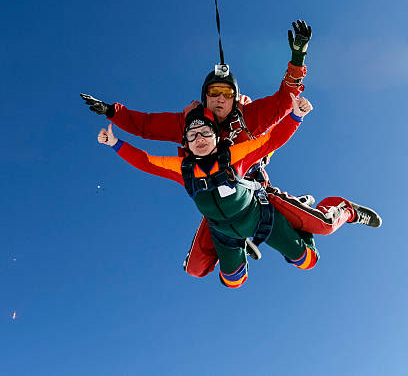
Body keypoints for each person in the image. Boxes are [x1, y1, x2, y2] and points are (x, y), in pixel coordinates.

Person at [81, 20, 313, 275]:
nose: (220, 99)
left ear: (235, 98)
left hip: (249, 187)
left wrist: (298, 56)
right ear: (205, 97)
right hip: (213, 197)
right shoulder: (190, 125)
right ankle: (236, 241)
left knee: (305, 246)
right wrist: (113, 112)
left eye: (227, 94)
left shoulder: (249, 116)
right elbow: (146, 126)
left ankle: (294, 215)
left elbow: (284, 101)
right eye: (214, 92)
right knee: (198, 270)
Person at [96, 97, 382, 289]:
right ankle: (242, 246)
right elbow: (146, 162)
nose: (200, 140)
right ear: (184, 142)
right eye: (193, 136)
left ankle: (344, 208)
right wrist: (115, 143)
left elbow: (270, 140)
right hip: (225, 231)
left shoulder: (234, 155)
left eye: (206, 133)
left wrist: (295, 116)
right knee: (231, 280)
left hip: (261, 213)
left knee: (310, 255)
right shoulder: (182, 169)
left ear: (216, 137)